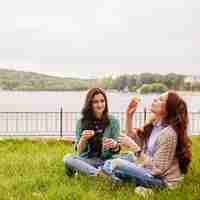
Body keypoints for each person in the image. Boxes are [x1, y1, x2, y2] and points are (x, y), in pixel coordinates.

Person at [100, 90, 192, 189]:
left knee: (117, 163)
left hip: (163, 181)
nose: (155, 99)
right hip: (148, 172)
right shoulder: (155, 125)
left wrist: (136, 149)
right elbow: (134, 139)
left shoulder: (169, 134)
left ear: (168, 109)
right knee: (116, 167)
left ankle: (105, 175)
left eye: (160, 100)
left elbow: (158, 171)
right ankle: (138, 188)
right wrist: (129, 116)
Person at [63, 88, 120, 176]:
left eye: (102, 101)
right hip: (88, 160)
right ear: (90, 104)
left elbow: (117, 150)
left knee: (130, 157)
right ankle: (100, 174)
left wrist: (114, 145)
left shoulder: (113, 121)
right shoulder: (81, 122)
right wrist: (83, 139)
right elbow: (79, 152)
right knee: (68, 158)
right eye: (95, 102)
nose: (100, 105)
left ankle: (87, 171)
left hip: (107, 161)